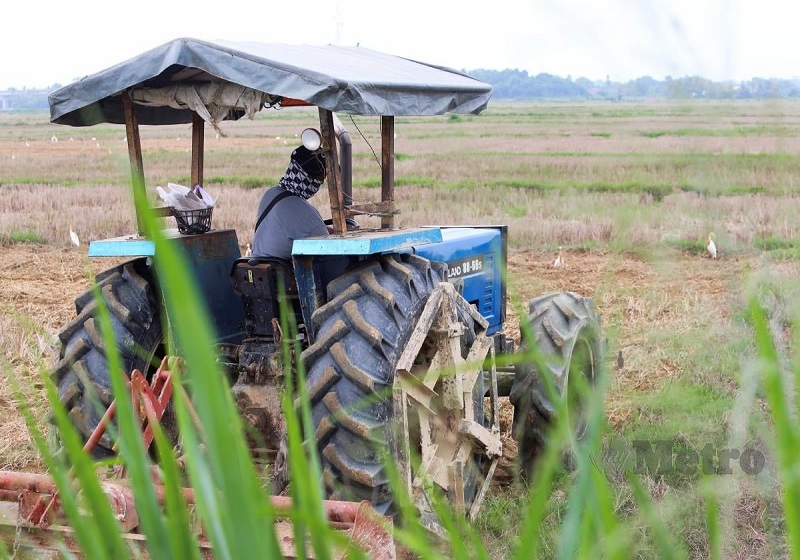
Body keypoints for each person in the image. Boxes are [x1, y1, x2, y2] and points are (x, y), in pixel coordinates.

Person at [252, 145, 329, 260]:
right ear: (305, 176)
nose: (321, 182)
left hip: (259, 266)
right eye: (320, 177)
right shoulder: (303, 211)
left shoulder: (270, 193)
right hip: (284, 275)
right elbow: (326, 246)